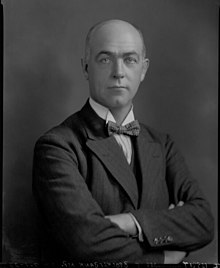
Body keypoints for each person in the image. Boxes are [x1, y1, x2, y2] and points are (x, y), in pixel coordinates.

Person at [32, 19, 214, 264]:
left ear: (144, 69)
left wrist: (130, 222)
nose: (118, 72)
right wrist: (162, 259)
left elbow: (203, 222)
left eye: (130, 59)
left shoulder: (162, 144)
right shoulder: (57, 146)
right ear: (86, 68)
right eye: (105, 59)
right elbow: (85, 239)